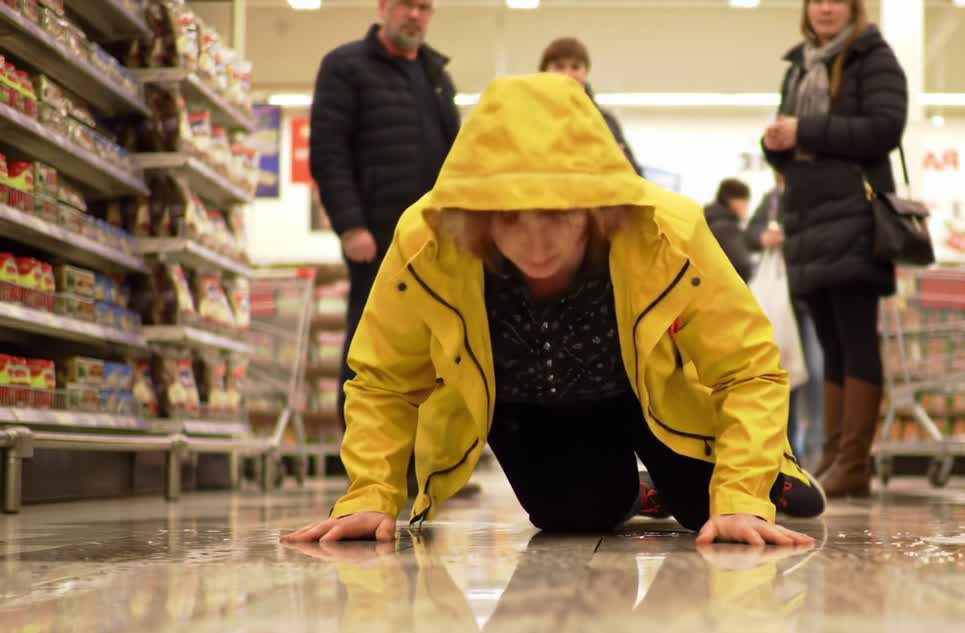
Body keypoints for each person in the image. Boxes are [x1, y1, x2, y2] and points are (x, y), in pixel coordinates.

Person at [283, 73, 824, 547]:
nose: (537, 245)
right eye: (510, 219)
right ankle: (640, 490)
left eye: (558, 216)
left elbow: (747, 368)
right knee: (574, 519)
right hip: (531, 408)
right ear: (476, 214)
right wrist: (371, 495)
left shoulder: (665, 231)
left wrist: (741, 496)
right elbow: (384, 380)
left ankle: (769, 464)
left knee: (713, 510)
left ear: (595, 203)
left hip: (661, 397)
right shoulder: (428, 241)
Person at [762, 0, 907, 498]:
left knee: (854, 335)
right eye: (816, 0)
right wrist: (773, 141)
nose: (825, 8)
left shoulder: (872, 56)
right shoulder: (800, 64)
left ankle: (854, 461)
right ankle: (832, 453)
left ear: (852, 8)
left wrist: (805, 130)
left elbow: (886, 127)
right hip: (807, 220)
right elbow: (792, 142)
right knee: (829, 342)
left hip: (853, 217)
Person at [309, 0, 461, 431]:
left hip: (436, 243)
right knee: (372, 347)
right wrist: (351, 225)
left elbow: (457, 160)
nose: (414, 15)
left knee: (436, 350)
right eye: (405, 5)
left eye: (424, 7)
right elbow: (328, 152)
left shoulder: (436, 77)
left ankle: (426, 460)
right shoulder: (346, 67)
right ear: (383, 8)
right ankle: (366, 458)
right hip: (376, 238)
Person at [744, 172, 825, 464]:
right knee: (785, 374)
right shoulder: (772, 200)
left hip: (810, 300)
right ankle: (789, 448)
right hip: (782, 303)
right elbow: (750, 234)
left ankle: (818, 447)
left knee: (815, 373)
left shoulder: (816, 197)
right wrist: (762, 237)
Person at [539, 36, 642, 175]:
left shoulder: (605, 121)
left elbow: (636, 175)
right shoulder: (528, 118)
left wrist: (621, 163)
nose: (567, 74)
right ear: (544, 71)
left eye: (575, 67)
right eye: (559, 66)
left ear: (586, 72)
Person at [703, 178, 755, 283]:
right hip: (724, 293)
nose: (747, 208)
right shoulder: (726, 227)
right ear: (734, 201)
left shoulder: (707, 220)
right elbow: (742, 266)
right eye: (745, 202)